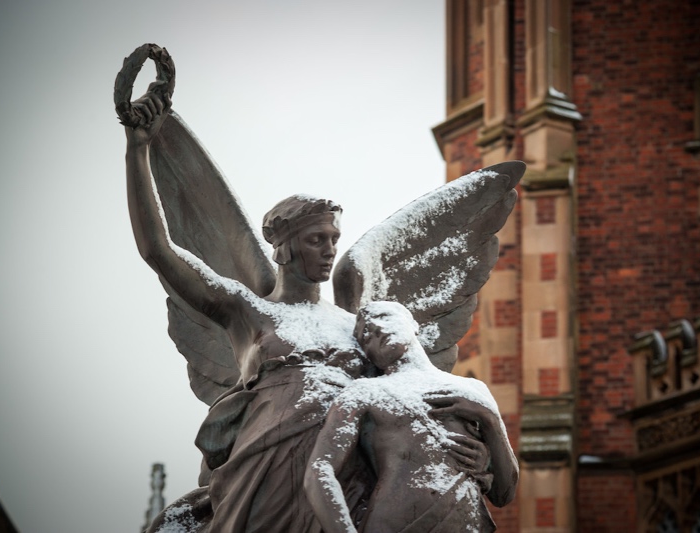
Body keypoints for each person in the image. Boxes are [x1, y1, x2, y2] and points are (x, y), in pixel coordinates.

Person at [126, 94, 491, 532]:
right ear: (284, 247)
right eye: (317, 239)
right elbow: (158, 250)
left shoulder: (358, 325)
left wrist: (476, 456)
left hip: (342, 476)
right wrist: (137, 148)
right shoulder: (249, 312)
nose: (330, 249)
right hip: (265, 471)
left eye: (333, 238)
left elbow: (411, 396)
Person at [304, 301, 519, 533]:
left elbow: (504, 494)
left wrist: (488, 420)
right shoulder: (364, 392)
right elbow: (319, 469)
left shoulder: (473, 390)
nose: (375, 329)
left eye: (384, 317)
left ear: (413, 324)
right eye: (365, 337)